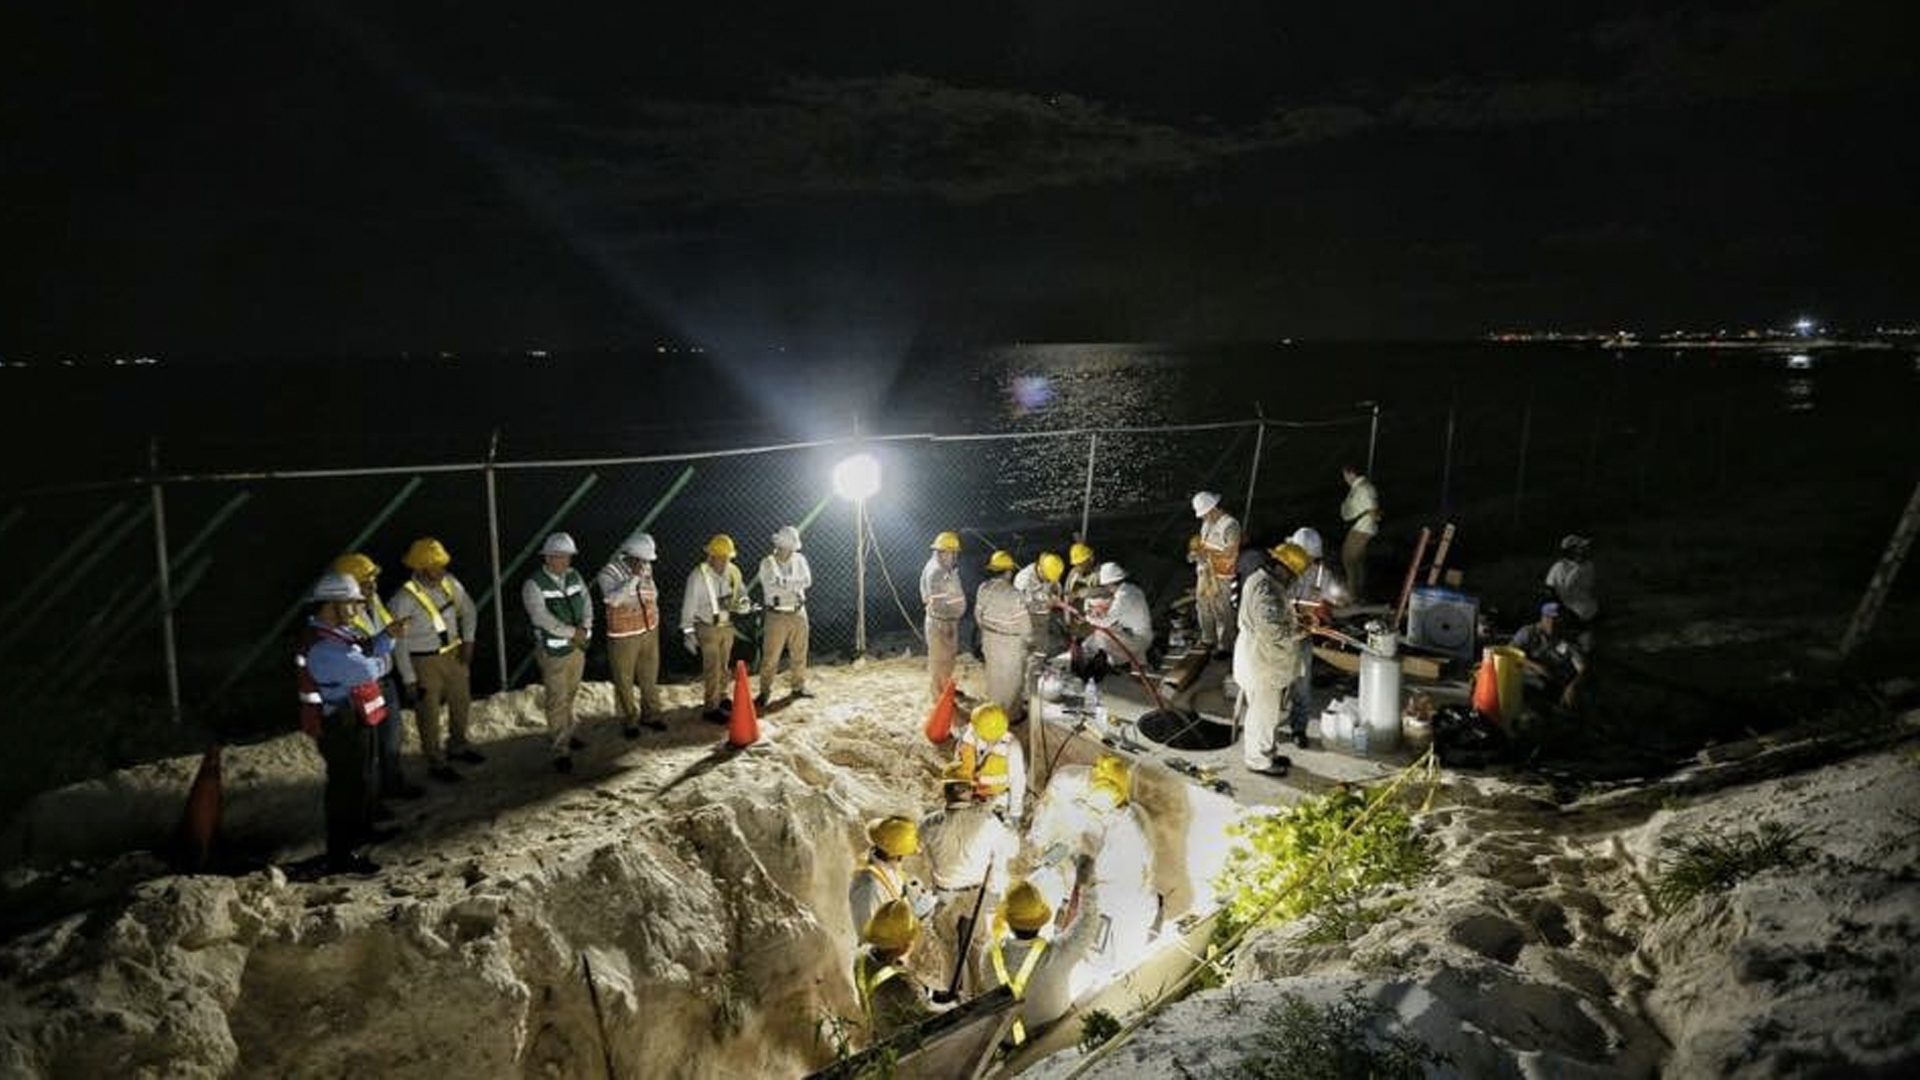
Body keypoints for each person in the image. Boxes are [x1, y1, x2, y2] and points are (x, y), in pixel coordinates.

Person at [296, 572, 395, 874]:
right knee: (346, 788)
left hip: (351, 718)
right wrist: (381, 662)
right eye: (351, 604)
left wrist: (386, 637)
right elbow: (364, 670)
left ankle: (360, 834)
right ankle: (342, 854)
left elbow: (366, 653)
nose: (357, 610)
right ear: (331, 605)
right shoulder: (323, 647)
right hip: (338, 724)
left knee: (361, 780)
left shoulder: (336, 636)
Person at [388, 537, 482, 783]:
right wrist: (408, 678)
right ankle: (435, 761)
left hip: (454, 654)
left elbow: (469, 610)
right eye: (435, 566)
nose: (441, 570)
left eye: (442, 564)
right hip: (423, 662)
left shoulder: (450, 583)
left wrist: (469, 641)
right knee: (428, 713)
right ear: (419, 568)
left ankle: (458, 746)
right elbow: (398, 642)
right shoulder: (403, 599)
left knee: (461, 703)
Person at [332, 553, 421, 803]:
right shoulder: (341, 615)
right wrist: (387, 635)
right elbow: (355, 651)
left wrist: (391, 632)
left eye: (372, 577)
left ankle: (392, 785)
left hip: (385, 682)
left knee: (390, 741)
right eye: (365, 580)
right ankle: (370, 802)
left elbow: (384, 634)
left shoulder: (373, 601)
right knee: (367, 751)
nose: (372, 584)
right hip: (361, 687)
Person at [1234, 542, 1308, 776]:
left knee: (1267, 713)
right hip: (1260, 661)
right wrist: (1300, 632)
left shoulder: (1267, 581)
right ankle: (1258, 761)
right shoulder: (1264, 588)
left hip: (1262, 659)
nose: (1293, 580)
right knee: (1262, 715)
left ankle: (1267, 752)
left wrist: (1296, 622)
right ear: (1284, 568)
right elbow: (1272, 631)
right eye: (1294, 575)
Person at [523, 532, 592, 773]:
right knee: (557, 699)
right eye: (561, 557)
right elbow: (541, 618)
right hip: (554, 652)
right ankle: (560, 748)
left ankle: (567, 733)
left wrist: (586, 628)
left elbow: (587, 602)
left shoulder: (574, 576)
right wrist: (573, 632)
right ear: (549, 557)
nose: (566, 562)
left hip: (576, 648)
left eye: (569, 557)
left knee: (570, 694)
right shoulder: (533, 584)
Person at [597, 533, 666, 739]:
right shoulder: (608, 573)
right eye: (642, 559)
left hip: (649, 631)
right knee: (624, 680)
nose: (645, 563)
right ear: (631, 555)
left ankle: (651, 715)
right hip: (623, 635)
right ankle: (630, 720)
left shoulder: (647, 567)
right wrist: (634, 578)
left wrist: (654, 619)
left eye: (646, 560)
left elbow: (652, 592)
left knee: (649, 677)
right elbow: (614, 600)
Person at [853, 900, 950, 1039]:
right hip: (903, 1044)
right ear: (902, 946)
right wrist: (954, 1008)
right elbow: (930, 1018)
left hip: (878, 1032)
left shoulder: (862, 957)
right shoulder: (902, 983)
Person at [1281, 527, 1342, 749]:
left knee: (1301, 684)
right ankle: (1266, 727)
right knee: (1270, 683)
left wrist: (1328, 607)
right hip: (1277, 634)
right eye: (1306, 558)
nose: (1309, 563)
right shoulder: (1281, 569)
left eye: (1313, 558)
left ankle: (1299, 728)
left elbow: (1334, 598)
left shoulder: (1321, 574)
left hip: (1302, 634)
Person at [681, 534, 751, 722]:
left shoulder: (734, 572)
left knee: (724, 665)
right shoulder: (698, 575)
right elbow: (689, 605)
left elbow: (742, 595)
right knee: (712, 667)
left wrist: (744, 605)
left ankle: (722, 697)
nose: (722, 561)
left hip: (726, 626)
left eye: (726, 557)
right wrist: (688, 632)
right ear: (710, 556)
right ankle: (710, 708)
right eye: (719, 557)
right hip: (706, 627)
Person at [755, 525, 814, 707]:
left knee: (799, 653)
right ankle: (764, 691)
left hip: (798, 612)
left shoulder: (800, 559)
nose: (787, 549)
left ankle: (798, 686)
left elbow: (807, 581)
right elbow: (771, 586)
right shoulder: (767, 563)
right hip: (777, 614)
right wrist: (794, 585)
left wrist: (784, 582)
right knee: (771, 657)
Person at [850, 815, 936, 933]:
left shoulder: (886, 867)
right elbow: (875, 939)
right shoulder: (871, 888)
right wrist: (916, 917)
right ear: (896, 855)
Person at [975, 550, 1031, 718]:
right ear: (1008, 572)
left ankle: (994, 709)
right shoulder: (1014, 595)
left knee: (994, 677)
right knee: (1012, 681)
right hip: (1010, 644)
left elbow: (978, 617)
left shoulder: (983, 588)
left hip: (989, 639)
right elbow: (1026, 628)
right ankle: (1012, 715)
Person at [1190, 491, 1241, 658]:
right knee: (1203, 605)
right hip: (1205, 574)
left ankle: (1225, 646)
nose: (1203, 518)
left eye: (1204, 514)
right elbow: (1205, 545)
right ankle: (1208, 639)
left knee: (1222, 610)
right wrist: (1195, 553)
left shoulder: (1230, 525)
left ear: (1212, 508)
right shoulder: (1206, 524)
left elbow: (1231, 552)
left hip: (1221, 576)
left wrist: (1207, 556)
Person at [1511, 602, 1587, 712]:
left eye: (1557, 619)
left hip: (1556, 681)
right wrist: (1536, 666)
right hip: (1529, 679)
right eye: (1549, 618)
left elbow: (1583, 668)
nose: (1552, 623)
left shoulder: (1567, 638)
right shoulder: (1528, 633)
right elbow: (1510, 653)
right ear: (1542, 618)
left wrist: (1573, 686)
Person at [956, 703, 1026, 821]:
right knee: (966, 747)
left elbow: (1017, 781)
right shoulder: (973, 732)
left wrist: (1015, 813)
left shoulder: (1012, 748)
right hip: (976, 776)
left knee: (996, 760)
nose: (973, 729)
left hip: (996, 782)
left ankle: (985, 796)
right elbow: (962, 752)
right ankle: (969, 794)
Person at [920, 531, 968, 702]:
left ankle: (945, 690)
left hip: (946, 622)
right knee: (940, 662)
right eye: (953, 552)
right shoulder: (937, 572)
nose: (955, 555)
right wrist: (948, 623)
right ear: (943, 552)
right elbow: (939, 605)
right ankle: (940, 698)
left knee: (947, 661)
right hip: (942, 623)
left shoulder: (945, 568)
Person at [1083, 562, 1153, 675]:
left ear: (1110, 583)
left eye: (1105, 585)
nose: (1106, 588)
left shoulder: (1123, 597)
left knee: (1101, 635)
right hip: (1140, 634)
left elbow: (1106, 622)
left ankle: (1121, 661)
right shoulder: (1132, 589)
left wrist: (1088, 617)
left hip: (1139, 640)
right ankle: (1137, 660)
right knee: (1099, 637)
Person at [1545, 534, 1598, 647]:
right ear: (1572, 551)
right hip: (1568, 612)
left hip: (1586, 611)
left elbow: (1588, 588)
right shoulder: (1559, 567)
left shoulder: (1588, 566)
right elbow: (1549, 591)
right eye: (1580, 548)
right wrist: (1558, 610)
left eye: (1584, 548)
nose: (1585, 550)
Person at [1339, 465, 1381, 601]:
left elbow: (1373, 510)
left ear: (1351, 474)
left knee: (1349, 559)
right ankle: (1360, 593)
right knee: (1358, 560)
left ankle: (1354, 596)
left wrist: (1371, 519)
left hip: (1362, 529)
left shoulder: (1363, 488)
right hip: (1361, 528)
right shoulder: (1361, 487)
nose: (1344, 479)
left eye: (1345, 475)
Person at [1062, 542, 1099, 610]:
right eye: (1076, 564)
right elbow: (1066, 593)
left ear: (1090, 559)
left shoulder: (1102, 574)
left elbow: (1106, 591)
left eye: (1080, 563)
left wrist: (1080, 593)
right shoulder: (1073, 572)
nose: (1077, 567)